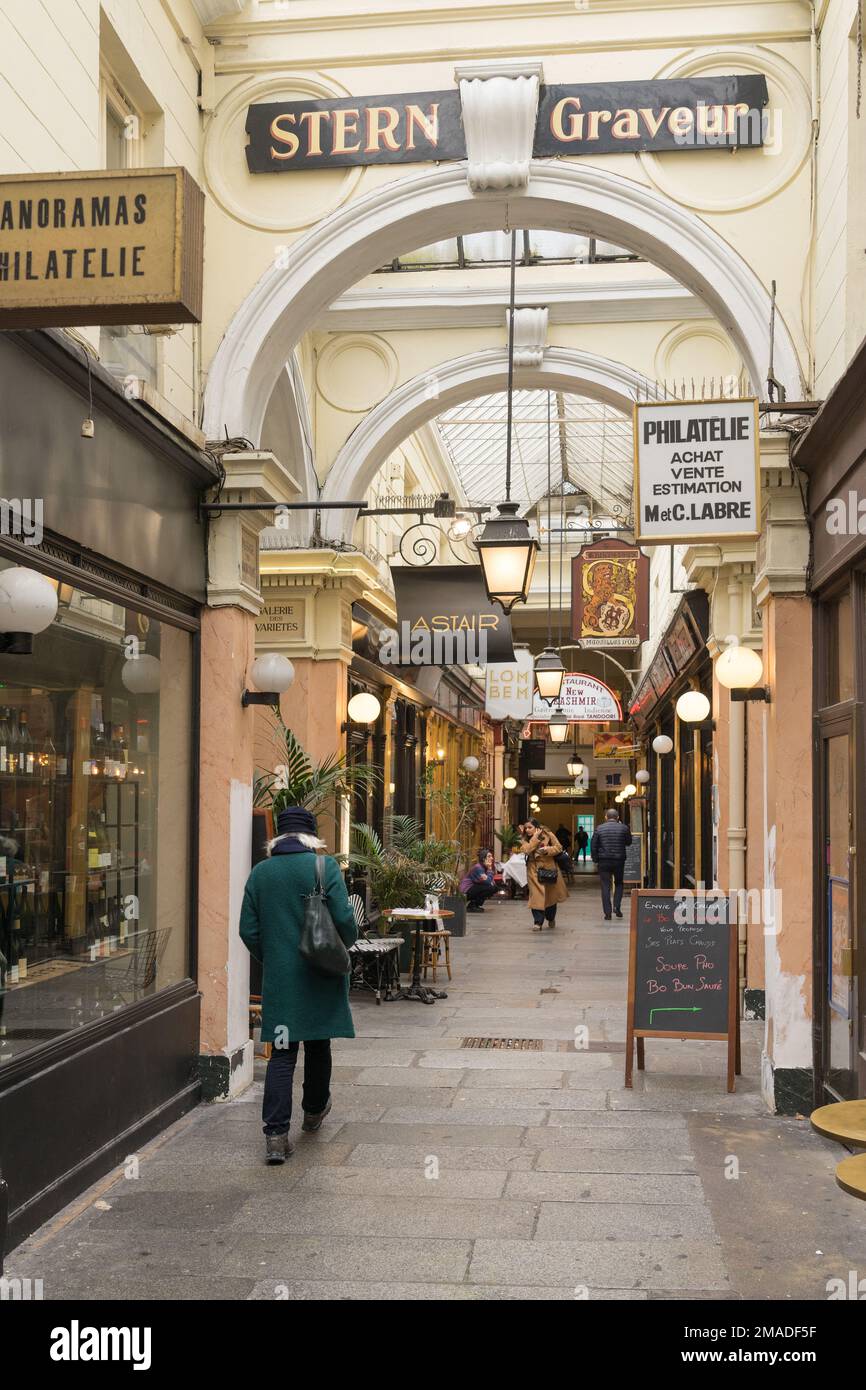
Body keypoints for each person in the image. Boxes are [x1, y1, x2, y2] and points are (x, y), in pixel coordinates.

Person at [239, 805, 358, 1165]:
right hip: (321, 977)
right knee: (319, 1045)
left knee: (282, 1052)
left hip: (282, 982)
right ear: (310, 837)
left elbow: (248, 930)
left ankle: (275, 1135)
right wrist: (341, 947)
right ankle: (313, 1112)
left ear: (278, 838)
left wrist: (275, 957)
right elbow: (345, 922)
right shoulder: (325, 867)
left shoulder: (261, 874)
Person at [523, 819, 568, 930]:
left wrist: (547, 850)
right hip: (533, 869)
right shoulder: (524, 838)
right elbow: (526, 850)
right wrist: (535, 838)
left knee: (550, 896)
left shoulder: (548, 834)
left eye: (530, 827)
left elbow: (558, 847)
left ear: (536, 827)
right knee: (536, 896)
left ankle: (551, 918)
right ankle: (538, 922)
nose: (527, 830)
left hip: (548, 868)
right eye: (526, 828)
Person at [590, 808, 632, 921]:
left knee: (605, 886)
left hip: (604, 860)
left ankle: (607, 913)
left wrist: (595, 859)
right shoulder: (624, 828)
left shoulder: (599, 828)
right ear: (618, 817)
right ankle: (617, 907)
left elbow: (593, 845)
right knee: (619, 883)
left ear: (605, 817)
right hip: (619, 860)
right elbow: (629, 842)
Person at [463, 848, 497, 913]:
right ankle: (472, 905)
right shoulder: (478, 868)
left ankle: (474, 904)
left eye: (491, 856)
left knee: (494, 887)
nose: (492, 858)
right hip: (465, 891)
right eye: (489, 856)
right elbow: (488, 882)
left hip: (473, 888)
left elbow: (491, 881)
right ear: (484, 859)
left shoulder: (484, 867)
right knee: (490, 887)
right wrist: (490, 869)